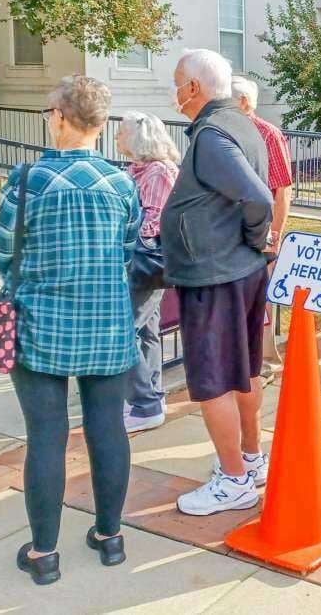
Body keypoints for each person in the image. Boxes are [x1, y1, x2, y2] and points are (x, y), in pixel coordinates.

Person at [0, 75, 140, 584]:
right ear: (99, 124)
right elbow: (127, 254)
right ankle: (110, 537)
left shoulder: (27, 180)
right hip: (106, 326)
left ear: (59, 116)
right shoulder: (123, 184)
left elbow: (4, 256)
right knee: (108, 431)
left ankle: (45, 553)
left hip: (40, 327)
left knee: (46, 437)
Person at [161, 49, 273, 516]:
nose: (175, 93)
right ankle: (249, 458)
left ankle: (234, 479)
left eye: (177, 83)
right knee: (244, 369)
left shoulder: (211, 133)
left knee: (212, 381)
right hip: (237, 269)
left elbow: (258, 197)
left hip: (215, 274)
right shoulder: (242, 122)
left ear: (193, 88)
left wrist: (252, 235)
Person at [116, 111, 180, 433]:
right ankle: (152, 397)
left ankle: (145, 404)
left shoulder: (158, 172)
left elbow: (151, 223)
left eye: (121, 132)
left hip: (145, 262)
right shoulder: (139, 170)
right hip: (143, 264)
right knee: (145, 330)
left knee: (122, 331)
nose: (116, 137)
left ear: (138, 138)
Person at [232, 76, 293, 364]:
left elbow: (283, 188)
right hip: (230, 230)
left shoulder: (268, 134)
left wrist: (276, 234)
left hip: (259, 230)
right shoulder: (223, 132)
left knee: (261, 295)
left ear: (243, 101)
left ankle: (264, 357)